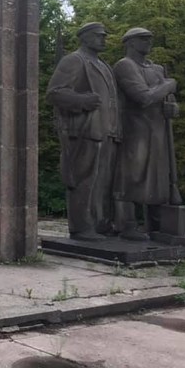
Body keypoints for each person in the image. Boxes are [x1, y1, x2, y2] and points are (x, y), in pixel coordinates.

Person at [47, 22, 121, 241]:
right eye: (99, 35)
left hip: (108, 131)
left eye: (104, 35)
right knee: (83, 180)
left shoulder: (104, 65)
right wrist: (82, 100)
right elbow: (54, 93)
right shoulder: (74, 60)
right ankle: (81, 227)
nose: (103, 39)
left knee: (103, 182)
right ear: (85, 37)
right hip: (85, 131)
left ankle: (100, 224)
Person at [113, 27, 179, 240]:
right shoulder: (125, 65)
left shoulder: (157, 69)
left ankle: (156, 226)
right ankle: (127, 225)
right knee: (132, 175)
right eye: (143, 39)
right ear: (130, 42)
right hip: (135, 130)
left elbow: (169, 102)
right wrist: (168, 86)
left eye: (150, 38)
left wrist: (173, 108)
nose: (149, 42)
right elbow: (143, 98)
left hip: (158, 130)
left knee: (158, 177)